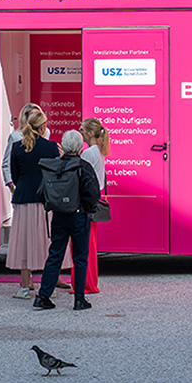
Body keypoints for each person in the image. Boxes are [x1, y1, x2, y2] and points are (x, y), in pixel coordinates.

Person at [33, 130, 101, 311]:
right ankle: (79, 299)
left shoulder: (53, 166)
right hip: (79, 216)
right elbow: (93, 194)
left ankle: (43, 296)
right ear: (79, 147)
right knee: (79, 258)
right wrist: (88, 208)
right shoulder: (84, 166)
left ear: (63, 146)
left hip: (59, 216)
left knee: (55, 254)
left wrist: (54, 205)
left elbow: (41, 192)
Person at [6, 110, 61, 299]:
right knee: (46, 241)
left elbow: (14, 175)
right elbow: (56, 174)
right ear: (44, 126)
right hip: (45, 200)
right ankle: (47, 287)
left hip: (23, 198)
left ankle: (24, 287)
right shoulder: (51, 147)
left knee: (23, 241)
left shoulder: (17, 146)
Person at [79, 117, 111, 294]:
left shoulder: (88, 153)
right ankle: (90, 281)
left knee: (83, 246)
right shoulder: (98, 151)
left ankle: (85, 282)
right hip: (96, 200)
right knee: (90, 243)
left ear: (91, 133)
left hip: (86, 203)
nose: (81, 133)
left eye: (83, 130)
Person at [1, 103, 41, 197]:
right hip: (22, 186)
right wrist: (11, 185)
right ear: (25, 118)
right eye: (33, 115)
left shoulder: (45, 133)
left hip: (40, 186)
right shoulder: (16, 136)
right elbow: (6, 163)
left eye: (39, 115)